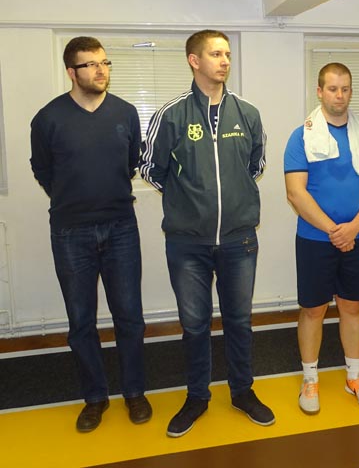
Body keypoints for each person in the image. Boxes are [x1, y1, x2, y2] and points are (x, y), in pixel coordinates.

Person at [139, 30, 273, 437]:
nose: (224, 60)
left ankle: (242, 392)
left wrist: (230, 197)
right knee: (195, 325)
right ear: (194, 61)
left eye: (227, 53)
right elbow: (151, 168)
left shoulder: (247, 113)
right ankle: (197, 396)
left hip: (238, 239)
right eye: (216, 54)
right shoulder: (172, 114)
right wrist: (188, 199)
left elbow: (255, 164)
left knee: (239, 322)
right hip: (187, 243)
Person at [30, 36, 152, 432]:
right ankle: (95, 398)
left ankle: (134, 392)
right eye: (91, 64)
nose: (101, 70)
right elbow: (43, 170)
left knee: (129, 317)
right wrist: (73, 199)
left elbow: (131, 163)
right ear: (71, 72)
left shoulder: (126, 113)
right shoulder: (48, 119)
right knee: (81, 321)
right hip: (71, 232)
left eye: (105, 62)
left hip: (121, 227)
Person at [284, 62, 359, 415]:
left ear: (351, 92)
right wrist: (335, 230)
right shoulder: (301, 137)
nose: (339, 95)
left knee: (352, 306)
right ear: (319, 91)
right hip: (316, 240)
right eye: (332, 88)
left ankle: (354, 377)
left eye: (345, 89)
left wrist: (353, 228)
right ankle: (310, 379)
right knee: (313, 309)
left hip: (357, 237)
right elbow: (296, 193)